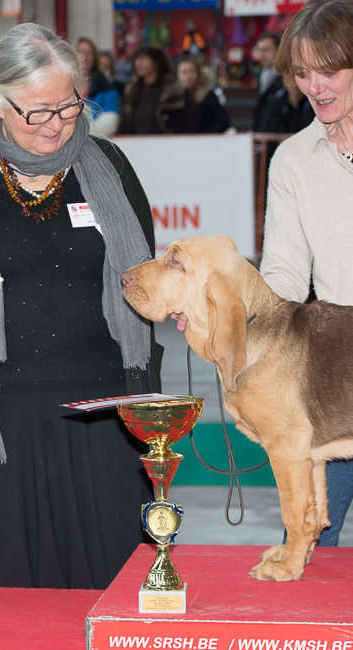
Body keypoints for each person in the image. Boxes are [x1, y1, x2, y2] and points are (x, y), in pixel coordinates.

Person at [0, 23, 162, 590]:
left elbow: (144, 280)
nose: (57, 124)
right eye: (37, 111)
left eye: (69, 106)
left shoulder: (111, 170)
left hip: (104, 410)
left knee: (109, 587)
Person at [258, 0, 353, 549]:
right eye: (301, 72)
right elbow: (285, 277)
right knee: (310, 543)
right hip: (336, 380)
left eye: (329, 70)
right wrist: (226, 314)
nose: (314, 86)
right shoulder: (292, 161)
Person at [119, 43, 194, 134]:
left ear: (156, 62)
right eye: (137, 59)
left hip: (168, 144)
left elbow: (189, 123)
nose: (139, 63)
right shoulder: (131, 90)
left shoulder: (175, 90)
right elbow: (124, 123)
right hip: (135, 144)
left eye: (144, 58)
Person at [252, 32, 315, 134]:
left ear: (279, 50)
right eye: (259, 50)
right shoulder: (262, 76)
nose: (262, 55)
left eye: (266, 50)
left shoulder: (290, 76)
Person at [76, 37, 120, 137]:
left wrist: (80, 134)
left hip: (95, 143)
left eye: (90, 53)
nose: (85, 57)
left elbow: (110, 122)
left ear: (95, 58)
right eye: (81, 52)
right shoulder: (62, 85)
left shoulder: (107, 89)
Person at [175, 56, 231, 133]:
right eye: (184, 72)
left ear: (198, 74)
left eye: (192, 71)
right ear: (177, 75)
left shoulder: (208, 96)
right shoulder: (172, 98)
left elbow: (222, 121)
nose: (188, 77)